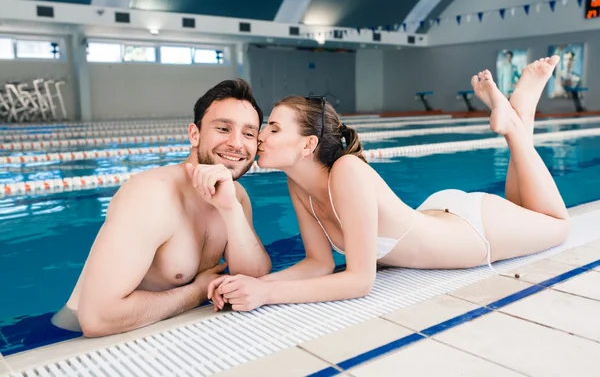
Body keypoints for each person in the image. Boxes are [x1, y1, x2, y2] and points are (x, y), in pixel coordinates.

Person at [207, 56, 570, 312]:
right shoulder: (298, 185)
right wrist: (252, 286)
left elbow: (359, 281)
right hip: (438, 216)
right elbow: (318, 264)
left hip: (473, 232)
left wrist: (266, 295)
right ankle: (520, 114)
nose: (260, 136)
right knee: (530, 208)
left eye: (274, 127)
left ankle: (517, 123)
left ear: (308, 145)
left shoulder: (346, 170)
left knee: (559, 225)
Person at [52, 79, 272, 337]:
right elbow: (97, 319)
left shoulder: (234, 194)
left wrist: (230, 209)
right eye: (223, 128)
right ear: (195, 134)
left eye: (248, 133)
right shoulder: (151, 195)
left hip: (151, 326)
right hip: (72, 336)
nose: (237, 144)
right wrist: (199, 291)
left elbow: (254, 275)